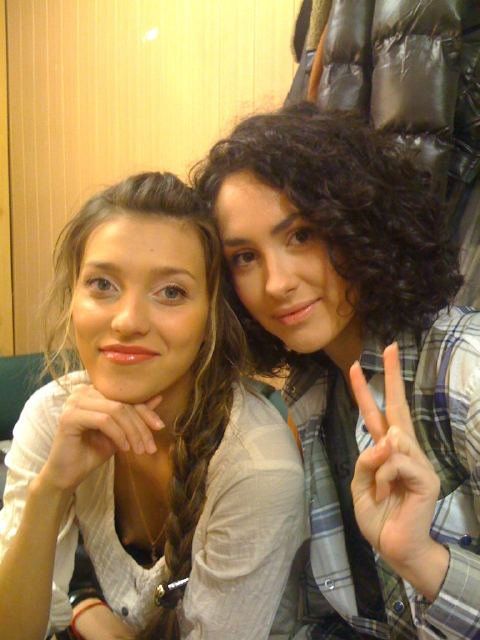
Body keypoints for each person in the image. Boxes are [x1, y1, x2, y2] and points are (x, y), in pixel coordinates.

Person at [193, 102, 480, 639]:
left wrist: (422, 560)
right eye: (245, 257)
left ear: (359, 224)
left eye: (301, 235)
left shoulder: (464, 370)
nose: (276, 283)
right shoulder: (309, 395)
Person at [0, 172, 305, 640]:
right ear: (72, 298)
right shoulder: (54, 414)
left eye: (171, 292)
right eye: (102, 284)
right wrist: (50, 489)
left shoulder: (255, 467)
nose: (127, 321)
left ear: (211, 317)